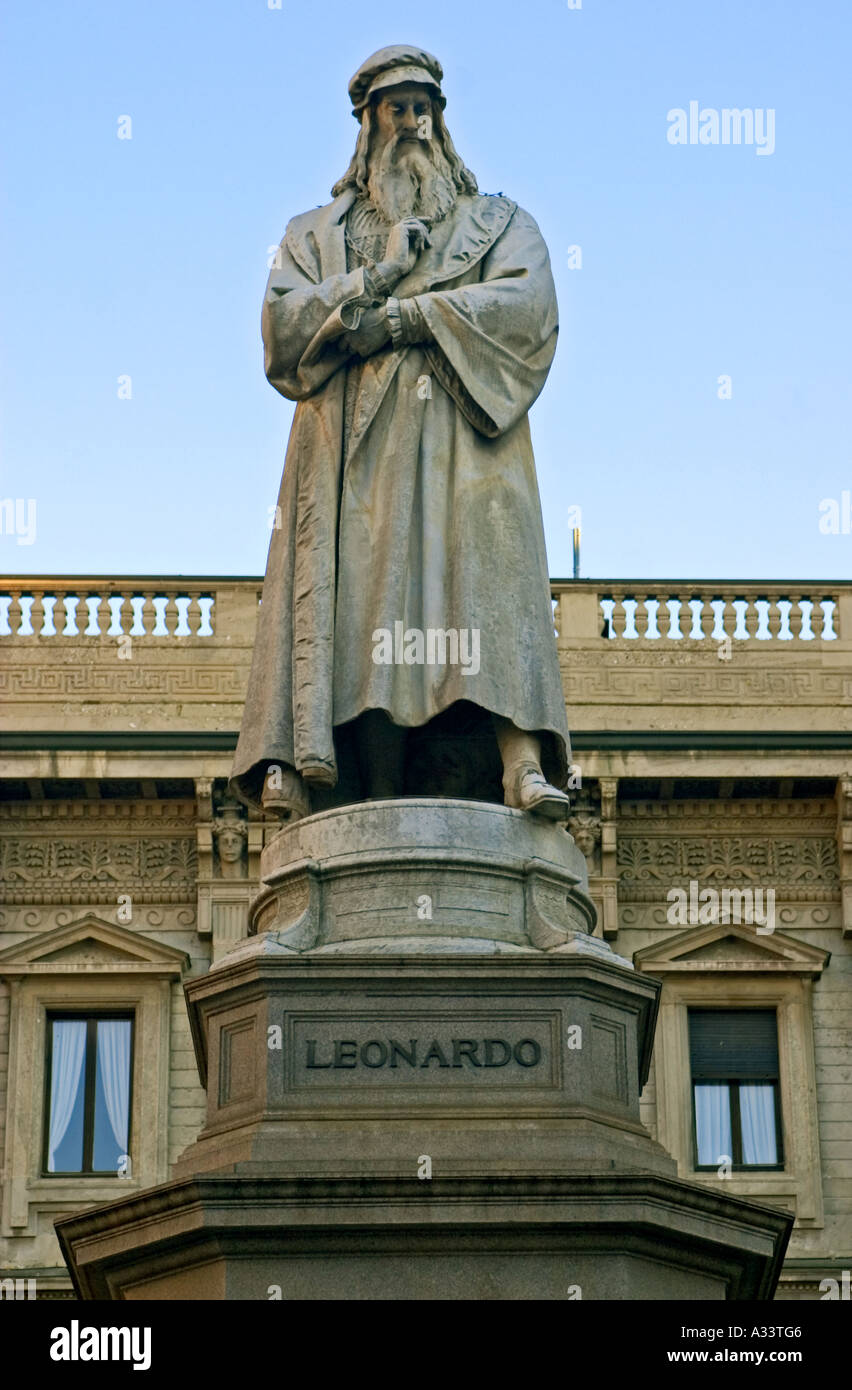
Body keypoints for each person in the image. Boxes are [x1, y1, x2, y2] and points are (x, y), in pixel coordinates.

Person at [230, 45, 572, 824]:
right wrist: (375, 277)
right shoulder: (316, 234)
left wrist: (407, 318)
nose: (412, 121)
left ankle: (521, 762)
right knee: (371, 608)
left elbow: (529, 312)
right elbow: (282, 334)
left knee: (489, 581)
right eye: (396, 108)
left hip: (470, 448)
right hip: (356, 454)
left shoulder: (499, 224)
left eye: (425, 107)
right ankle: (371, 796)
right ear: (366, 126)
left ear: (443, 122)